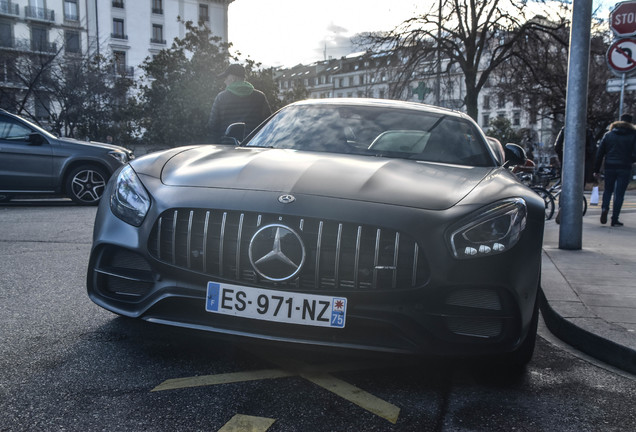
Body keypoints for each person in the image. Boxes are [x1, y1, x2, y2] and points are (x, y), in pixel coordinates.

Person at [207, 64, 272, 143]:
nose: (224, 81)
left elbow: (213, 126)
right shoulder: (260, 97)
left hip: (227, 147)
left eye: (226, 78)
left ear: (233, 78)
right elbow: (269, 123)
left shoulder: (221, 98)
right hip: (253, 145)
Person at [593, 114, 636, 227]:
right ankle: (615, 218)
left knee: (608, 190)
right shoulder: (633, 135)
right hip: (625, 167)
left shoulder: (608, 135)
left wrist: (596, 169)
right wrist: (630, 160)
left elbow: (600, 153)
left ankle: (604, 208)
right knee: (619, 193)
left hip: (610, 166)